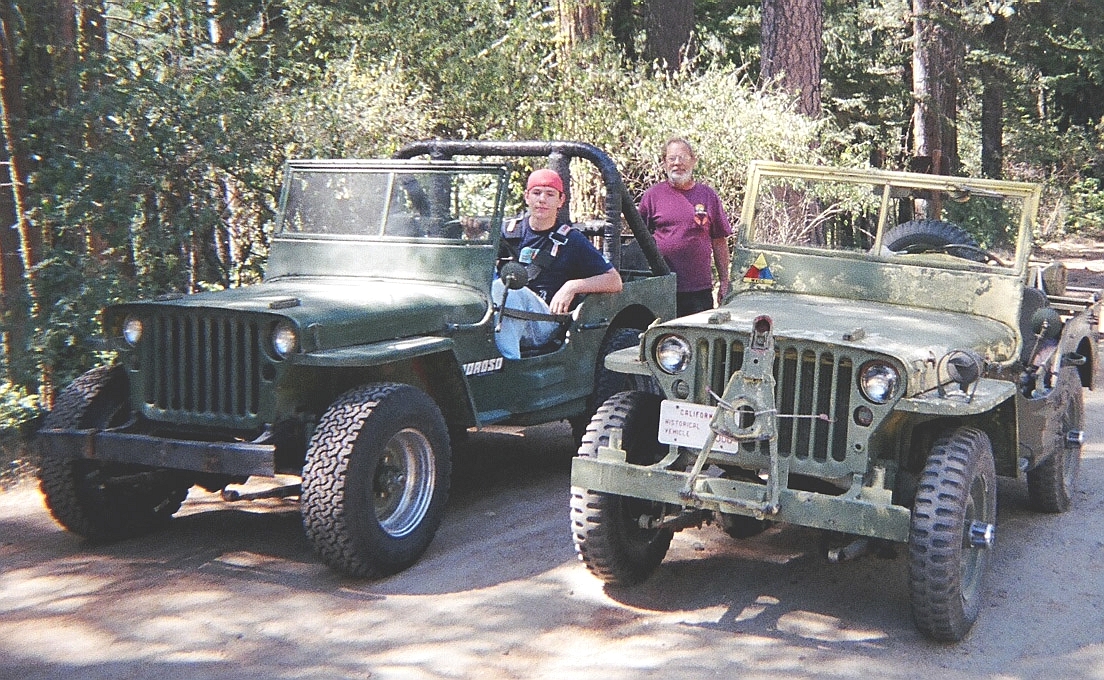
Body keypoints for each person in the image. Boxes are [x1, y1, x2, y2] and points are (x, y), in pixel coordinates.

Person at [492, 168, 623, 359]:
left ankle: (508, 365)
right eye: (536, 193)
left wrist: (572, 287)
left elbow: (614, 281)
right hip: (501, 313)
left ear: (561, 200)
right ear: (527, 197)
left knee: (507, 288)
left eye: (550, 194)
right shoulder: (508, 232)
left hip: (545, 321)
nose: (542, 199)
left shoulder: (572, 240)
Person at [638, 137, 733, 317]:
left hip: (698, 290)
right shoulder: (652, 196)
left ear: (693, 160)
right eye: (672, 158)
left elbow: (719, 241)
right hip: (660, 288)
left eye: (682, 157)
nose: (677, 163)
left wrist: (724, 282)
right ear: (664, 163)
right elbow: (639, 241)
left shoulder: (707, 195)